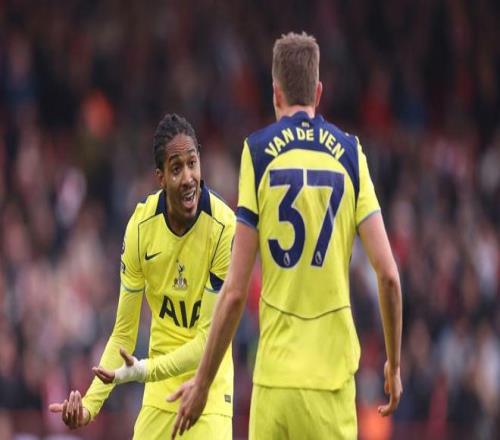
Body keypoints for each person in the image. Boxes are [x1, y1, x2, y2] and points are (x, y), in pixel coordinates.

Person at [170, 32, 403, 439]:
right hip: (331, 387)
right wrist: (394, 365)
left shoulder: (258, 152)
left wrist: (203, 383)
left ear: (275, 93)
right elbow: (388, 276)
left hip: (275, 383)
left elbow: (236, 292)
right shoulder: (351, 154)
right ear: (318, 92)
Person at [49, 113, 235, 439]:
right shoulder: (140, 228)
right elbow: (123, 333)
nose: (189, 177)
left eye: (193, 163)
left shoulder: (224, 227)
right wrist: (89, 406)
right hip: (159, 395)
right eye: (176, 168)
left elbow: (206, 342)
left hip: (208, 390)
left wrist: (143, 370)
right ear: (160, 177)